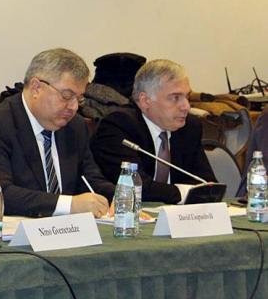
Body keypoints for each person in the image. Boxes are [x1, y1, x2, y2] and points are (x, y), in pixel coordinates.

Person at [0, 48, 114, 218]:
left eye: (79, 98)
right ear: (36, 87)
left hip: (63, 234)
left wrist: (118, 196)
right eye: (67, 96)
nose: (74, 107)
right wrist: (69, 204)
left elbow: (90, 180)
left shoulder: (75, 127)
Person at [90, 59, 216, 204]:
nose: (186, 106)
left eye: (187, 97)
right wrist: (184, 192)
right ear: (145, 101)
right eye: (175, 98)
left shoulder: (190, 126)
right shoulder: (119, 125)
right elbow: (135, 187)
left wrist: (195, 192)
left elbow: (207, 184)